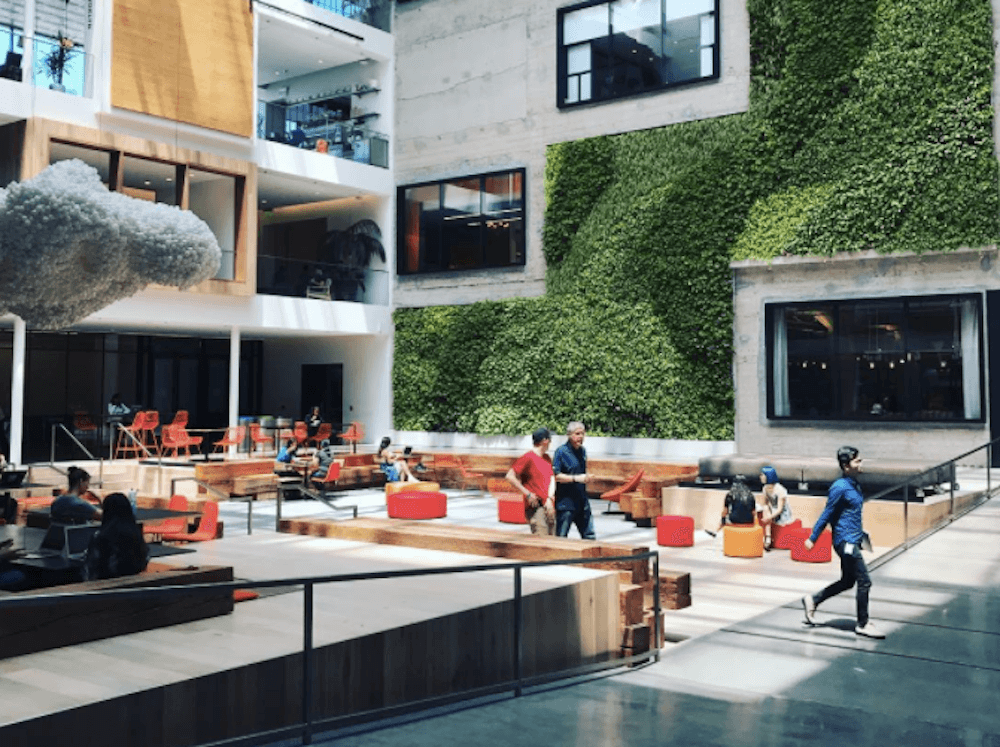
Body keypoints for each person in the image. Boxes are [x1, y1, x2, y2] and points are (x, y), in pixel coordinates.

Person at [802, 446, 884, 639]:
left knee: (848, 581)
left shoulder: (854, 485)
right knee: (864, 581)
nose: (861, 463)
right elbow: (827, 513)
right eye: (857, 461)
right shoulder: (839, 487)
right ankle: (862, 624)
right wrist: (813, 538)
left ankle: (813, 600)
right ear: (846, 466)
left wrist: (861, 534)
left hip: (853, 539)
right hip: (845, 542)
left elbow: (850, 514)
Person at [83, 492, 149, 581]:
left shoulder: (101, 537)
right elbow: (143, 561)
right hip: (134, 582)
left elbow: (92, 567)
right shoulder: (135, 534)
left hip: (105, 584)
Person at [505, 427, 556, 535]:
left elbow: (551, 478)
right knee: (541, 539)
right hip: (536, 507)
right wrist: (527, 494)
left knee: (553, 540)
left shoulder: (547, 458)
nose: (551, 443)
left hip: (548, 505)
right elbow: (510, 476)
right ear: (545, 441)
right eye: (550, 440)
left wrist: (549, 498)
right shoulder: (528, 457)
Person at [552, 421, 595, 540]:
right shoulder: (561, 452)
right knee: (561, 537)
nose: (580, 437)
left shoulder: (582, 451)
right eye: (577, 434)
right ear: (569, 435)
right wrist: (576, 478)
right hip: (566, 504)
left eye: (582, 434)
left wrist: (586, 478)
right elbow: (556, 476)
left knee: (589, 536)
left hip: (582, 502)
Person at [759, 466, 793, 549]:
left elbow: (780, 509)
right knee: (765, 509)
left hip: (782, 514)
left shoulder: (780, 490)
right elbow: (765, 504)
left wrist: (769, 517)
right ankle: (768, 537)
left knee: (767, 515)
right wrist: (767, 513)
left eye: (762, 475)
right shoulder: (765, 488)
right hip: (773, 512)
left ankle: (768, 539)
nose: (760, 477)